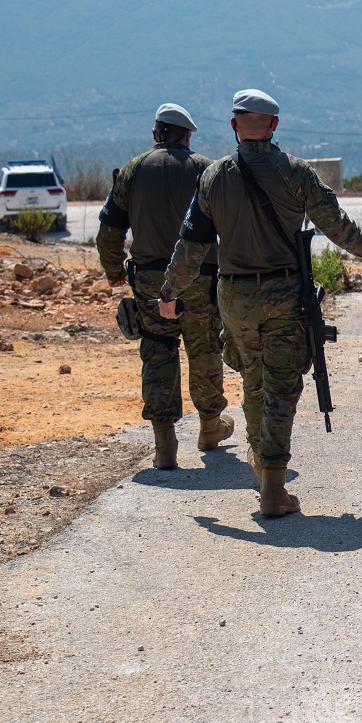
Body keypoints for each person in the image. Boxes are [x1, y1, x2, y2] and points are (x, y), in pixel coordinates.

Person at [161, 89, 362, 517]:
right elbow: (338, 227)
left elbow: (191, 246)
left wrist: (169, 292)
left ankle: (260, 461)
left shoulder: (213, 176)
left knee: (253, 379)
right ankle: (273, 489)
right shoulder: (298, 173)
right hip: (284, 296)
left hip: (234, 297)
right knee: (281, 387)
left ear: (234, 125)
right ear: (274, 125)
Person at [96, 103, 232, 470]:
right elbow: (230, 226)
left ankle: (165, 443)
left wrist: (113, 270)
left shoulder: (133, 170)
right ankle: (210, 428)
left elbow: (109, 231)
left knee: (158, 352)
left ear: (156, 134)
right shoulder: (206, 169)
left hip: (150, 281)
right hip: (200, 278)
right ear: (187, 136)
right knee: (204, 349)